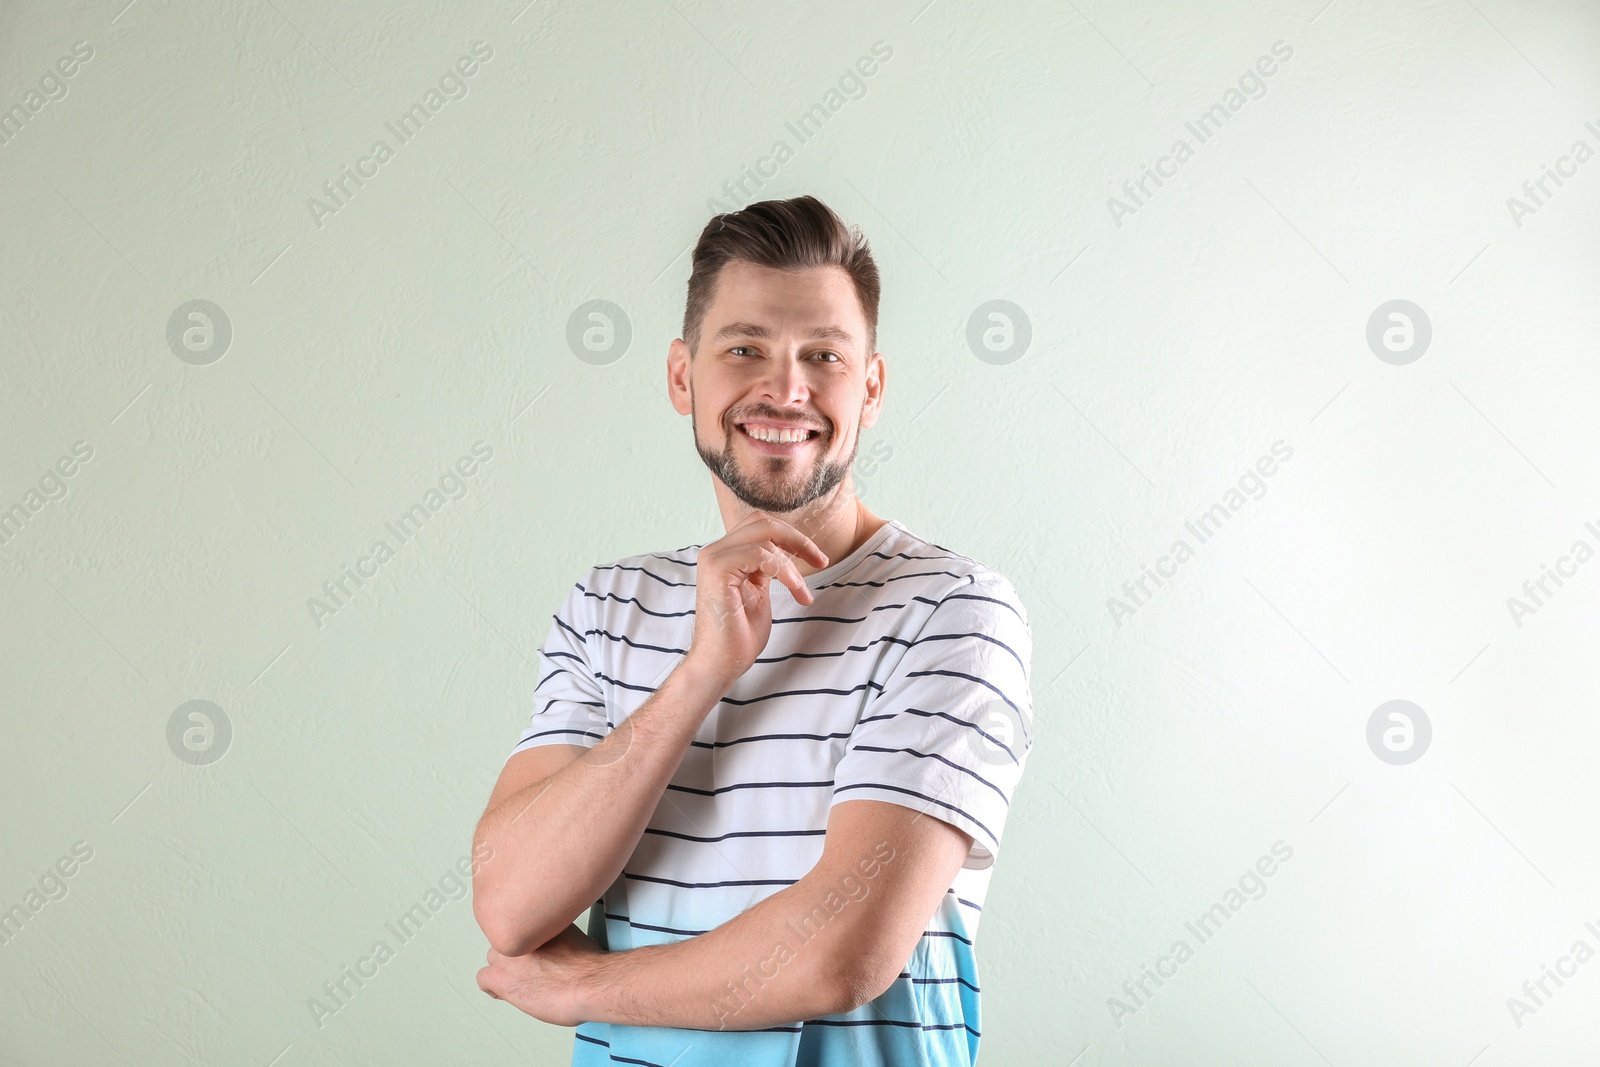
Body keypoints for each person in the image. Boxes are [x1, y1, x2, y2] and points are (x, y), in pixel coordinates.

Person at [472, 194, 1033, 1066]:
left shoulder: (953, 610)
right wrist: (701, 671)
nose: (786, 389)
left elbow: (842, 949)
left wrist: (583, 988)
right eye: (745, 349)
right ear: (681, 377)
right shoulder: (608, 605)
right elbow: (511, 903)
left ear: (872, 387)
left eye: (824, 355)